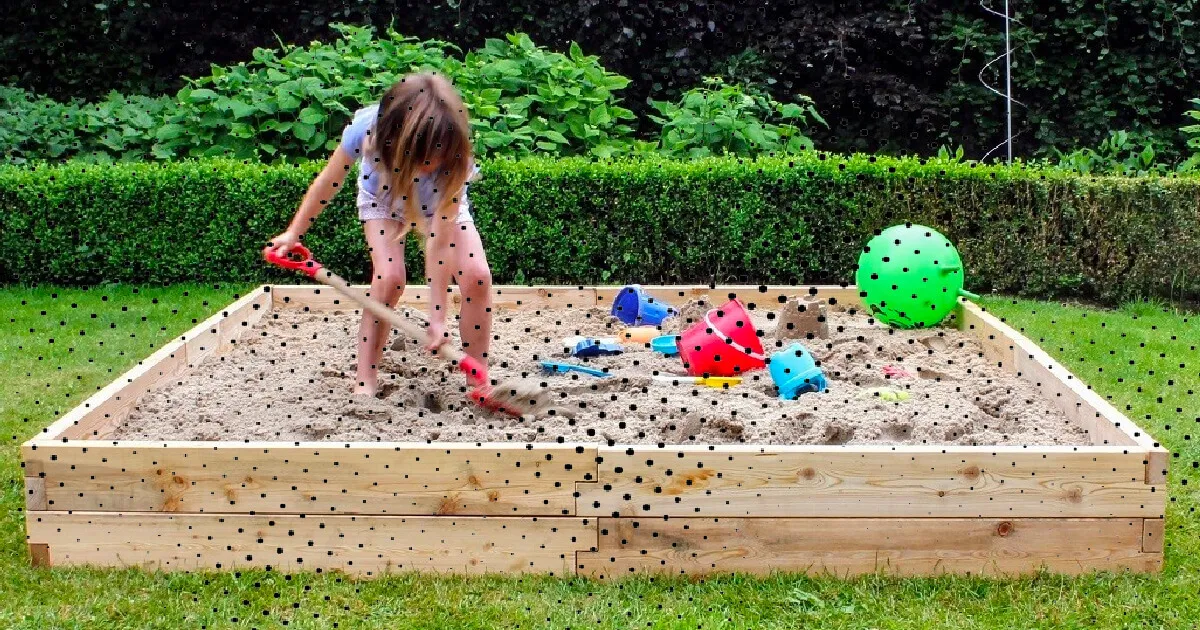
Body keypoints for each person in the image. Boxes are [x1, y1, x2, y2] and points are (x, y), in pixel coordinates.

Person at [267, 73, 493, 397]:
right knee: (389, 279)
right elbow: (327, 183)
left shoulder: (455, 155)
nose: (429, 166)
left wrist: (437, 317)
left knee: (477, 275)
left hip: (437, 206)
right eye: (424, 158)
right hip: (383, 201)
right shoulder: (367, 130)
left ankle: (477, 378)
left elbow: (439, 243)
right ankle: (365, 378)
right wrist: (293, 233)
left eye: (436, 156)